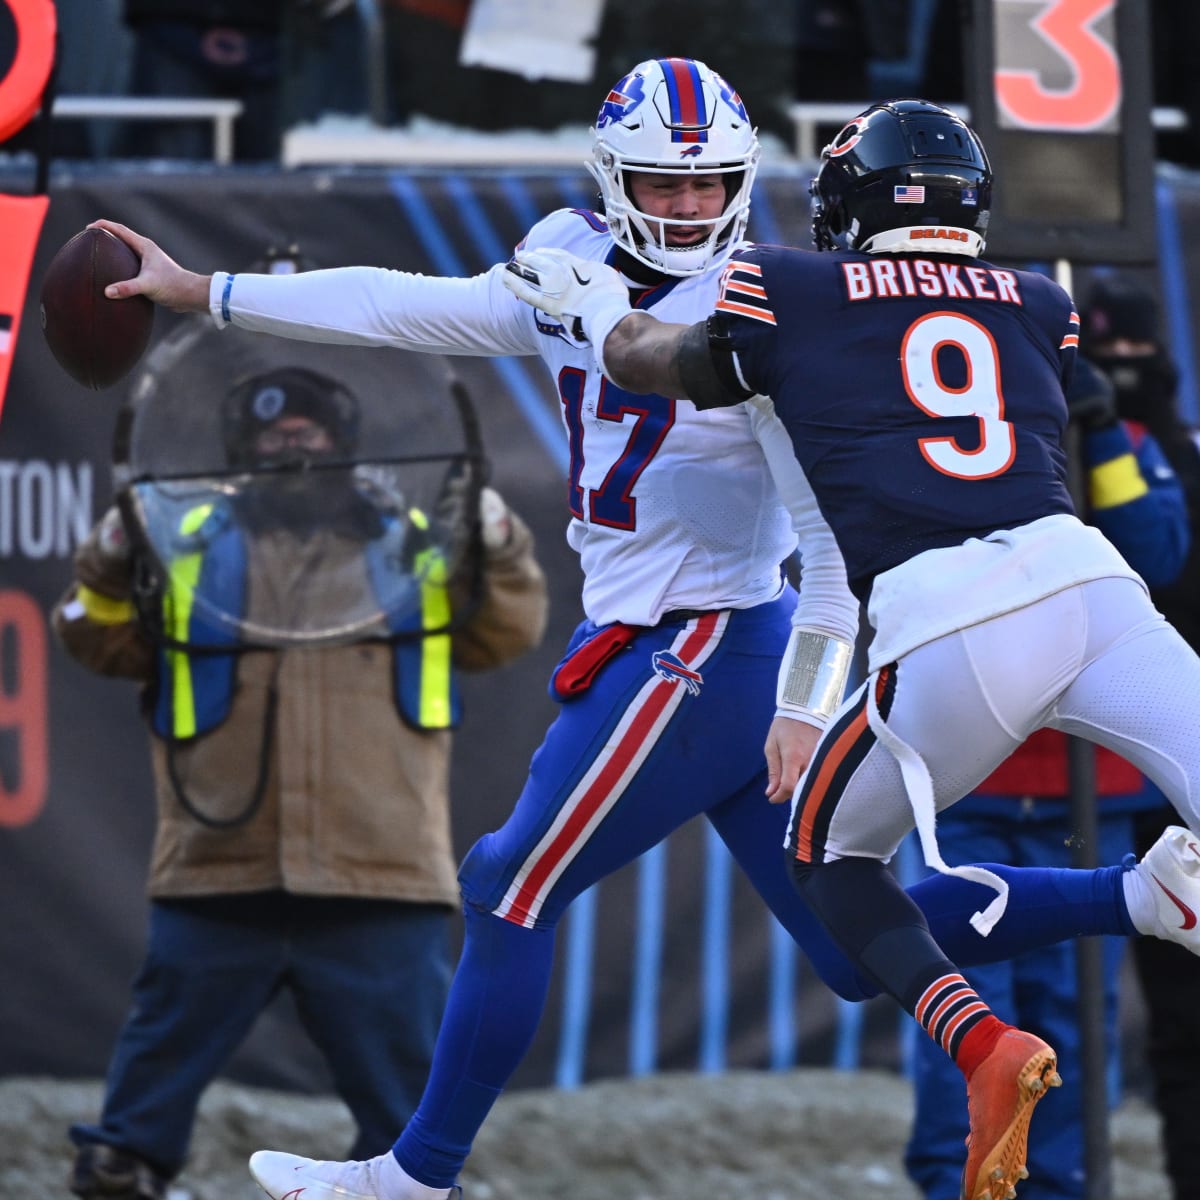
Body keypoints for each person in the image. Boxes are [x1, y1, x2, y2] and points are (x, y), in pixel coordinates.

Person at [89, 67, 1200, 1200]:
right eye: (664, 185)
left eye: (711, 182)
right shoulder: (569, 256)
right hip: (695, 635)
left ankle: (413, 1177)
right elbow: (404, 305)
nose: (687, 207)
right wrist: (205, 290)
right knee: (855, 943)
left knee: (507, 884)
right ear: (616, 180)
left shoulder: (768, 300)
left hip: (708, 638)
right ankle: (1140, 897)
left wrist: (802, 707)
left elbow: (820, 551)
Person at [500, 96, 1200, 1200]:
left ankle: (982, 1045)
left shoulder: (785, 282)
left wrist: (590, 309)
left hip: (955, 616)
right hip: (1098, 594)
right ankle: (1159, 902)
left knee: (828, 862)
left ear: (846, 206)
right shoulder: (1038, 299)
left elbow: (656, 361)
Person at [54, 363, 548, 1200]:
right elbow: (92, 638)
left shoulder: (415, 542)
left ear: (347, 443)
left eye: (311, 428)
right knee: (125, 1151)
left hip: (380, 874)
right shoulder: (181, 545)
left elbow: (514, 624)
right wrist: (103, 570)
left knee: (409, 1143)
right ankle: (126, 1171)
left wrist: (500, 540)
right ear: (240, 449)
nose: (294, 441)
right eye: (273, 431)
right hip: (217, 868)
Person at [902, 353, 1191, 1200]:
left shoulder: (1122, 440)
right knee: (964, 1003)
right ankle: (955, 1178)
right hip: (969, 779)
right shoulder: (940, 447)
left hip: (1085, 789)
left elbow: (1158, 555)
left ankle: (1056, 1181)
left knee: (1070, 1008)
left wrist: (1100, 436)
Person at [1079, 272, 1200, 1200]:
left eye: (1138, 357)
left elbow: (1161, 556)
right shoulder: (1040, 448)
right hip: (1103, 779)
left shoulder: (1168, 456)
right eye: (1105, 358)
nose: (1127, 373)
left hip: (1166, 764)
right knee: (1158, 1015)